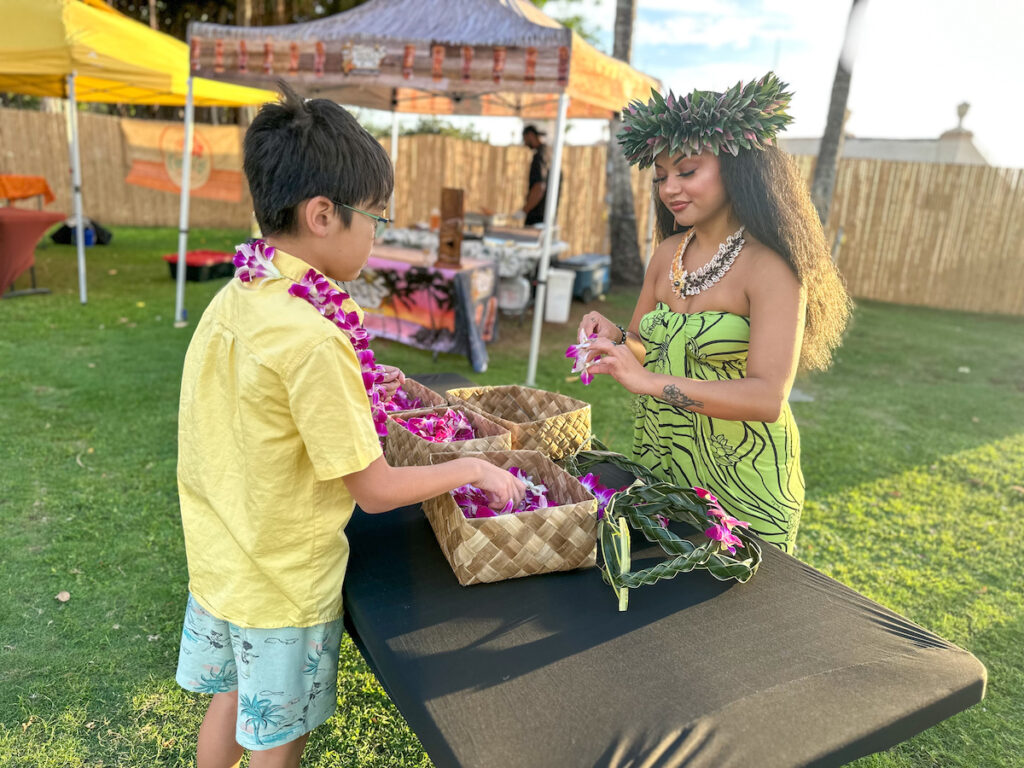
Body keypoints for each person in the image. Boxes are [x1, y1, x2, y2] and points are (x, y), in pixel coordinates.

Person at [174, 83, 525, 768]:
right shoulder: (311, 337)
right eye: (378, 220)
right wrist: (473, 467)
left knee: (232, 698)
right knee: (276, 733)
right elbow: (373, 488)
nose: (379, 235)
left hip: (224, 557)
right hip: (283, 580)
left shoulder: (240, 293)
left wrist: (358, 384)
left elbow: (264, 406)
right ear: (324, 213)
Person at [579, 73, 851, 553]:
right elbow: (643, 342)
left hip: (744, 481)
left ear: (736, 169)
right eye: (661, 175)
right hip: (664, 460)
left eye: (687, 171)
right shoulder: (666, 253)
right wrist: (615, 340)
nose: (669, 188)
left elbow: (767, 397)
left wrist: (647, 383)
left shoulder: (772, 267)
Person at [521, 124, 550, 225]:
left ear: (530, 135)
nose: (524, 143)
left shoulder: (540, 157)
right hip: (546, 215)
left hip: (537, 217)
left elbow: (539, 187)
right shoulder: (547, 154)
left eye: (525, 139)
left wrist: (525, 210)